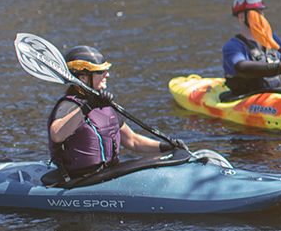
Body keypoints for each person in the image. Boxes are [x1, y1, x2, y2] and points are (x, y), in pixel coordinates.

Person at [47, 45, 185, 180]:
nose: (107, 74)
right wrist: (86, 108)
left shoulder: (103, 105)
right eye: (100, 72)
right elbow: (57, 135)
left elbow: (132, 140)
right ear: (83, 77)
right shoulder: (68, 106)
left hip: (108, 174)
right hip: (79, 179)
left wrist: (166, 146)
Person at [221, 0, 281, 97]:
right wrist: (280, 67)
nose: (262, 16)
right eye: (257, 13)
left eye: (262, 12)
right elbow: (241, 68)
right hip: (247, 97)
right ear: (242, 17)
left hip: (273, 96)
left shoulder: (274, 40)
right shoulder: (233, 46)